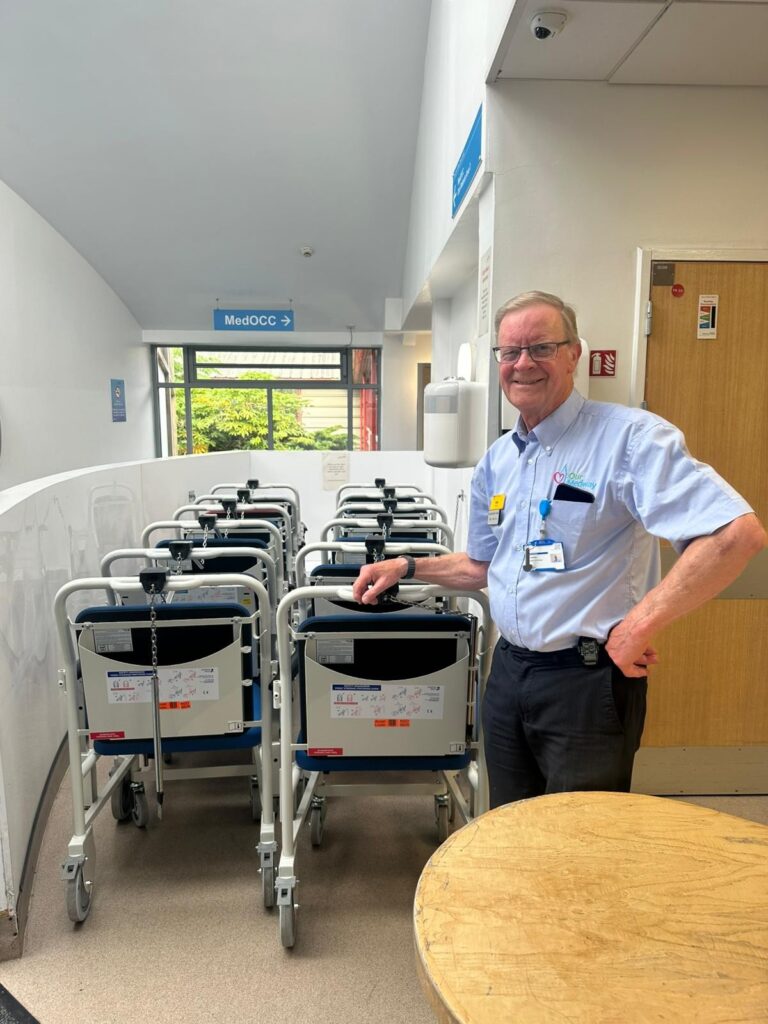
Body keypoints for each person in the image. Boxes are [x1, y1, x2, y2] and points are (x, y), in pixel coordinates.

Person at [352, 290, 766, 808]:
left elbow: (735, 535)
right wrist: (408, 565)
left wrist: (637, 627)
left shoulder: (629, 440)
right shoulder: (498, 461)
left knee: (580, 841)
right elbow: (484, 565)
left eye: (541, 347)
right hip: (508, 674)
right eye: (511, 352)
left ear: (575, 354)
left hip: (586, 682)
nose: (523, 363)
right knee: (510, 826)